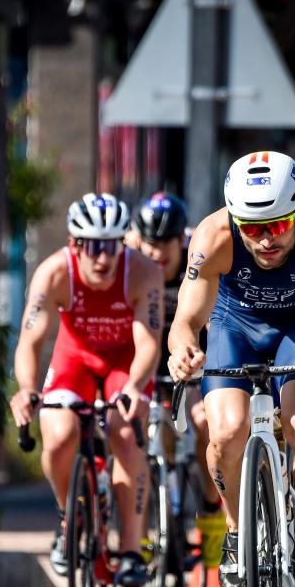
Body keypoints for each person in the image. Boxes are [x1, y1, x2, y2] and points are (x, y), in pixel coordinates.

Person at [167, 150, 295, 587]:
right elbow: (185, 321)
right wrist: (182, 352)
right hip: (234, 327)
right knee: (226, 432)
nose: (267, 239)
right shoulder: (212, 236)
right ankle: (237, 531)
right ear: (236, 221)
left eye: (278, 225)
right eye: (252, 229)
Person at [9, 192, 164, 587]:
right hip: (75, 358)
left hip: (125, 362)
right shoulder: (54, 273)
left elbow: (149, 343)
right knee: (59, 436)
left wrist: (134, 388)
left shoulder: (143, 271)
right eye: (93, 246)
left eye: (112, 245)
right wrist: (26, 389)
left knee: (124, 432)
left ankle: (130, 549)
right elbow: (30, 341)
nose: (103, 257)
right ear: (74, 244)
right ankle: (69, 519)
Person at [126, 191, 225, 568]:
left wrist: (203, 365)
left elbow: (214, 318)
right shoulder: (127, 256)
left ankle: (211, 513)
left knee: (203, 422)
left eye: (166, 243)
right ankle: (144, 533)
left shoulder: (196, 255)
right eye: (149, 243)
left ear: (181, 239)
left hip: (194, 348)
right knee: (136, 430)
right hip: (147, 348)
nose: (157, 252)